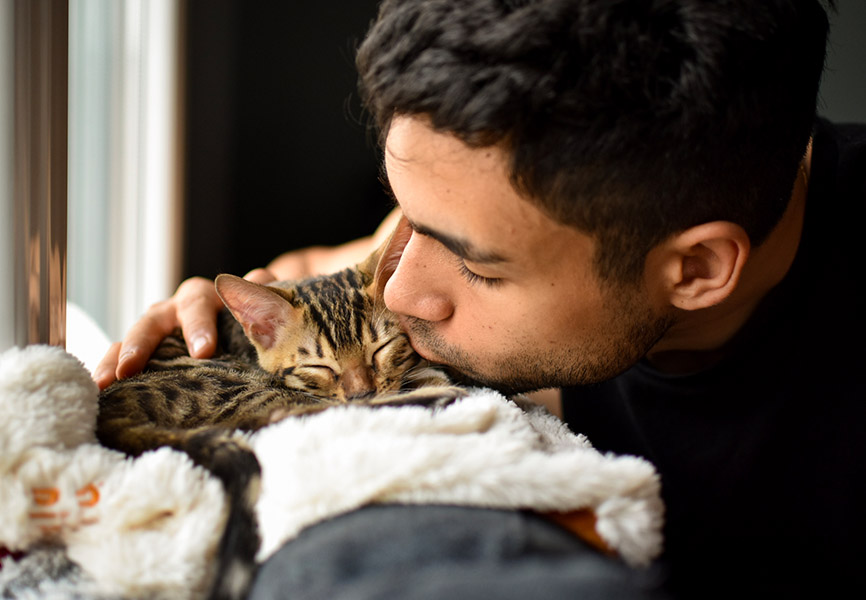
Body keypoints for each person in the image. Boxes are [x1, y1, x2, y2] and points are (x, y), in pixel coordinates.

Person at [95, 0, 865, 597]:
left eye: (476, 266)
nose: (401, 290)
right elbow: (306, 272)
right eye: (407, 223)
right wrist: (222, 327)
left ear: (695, 269)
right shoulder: (508, 207)